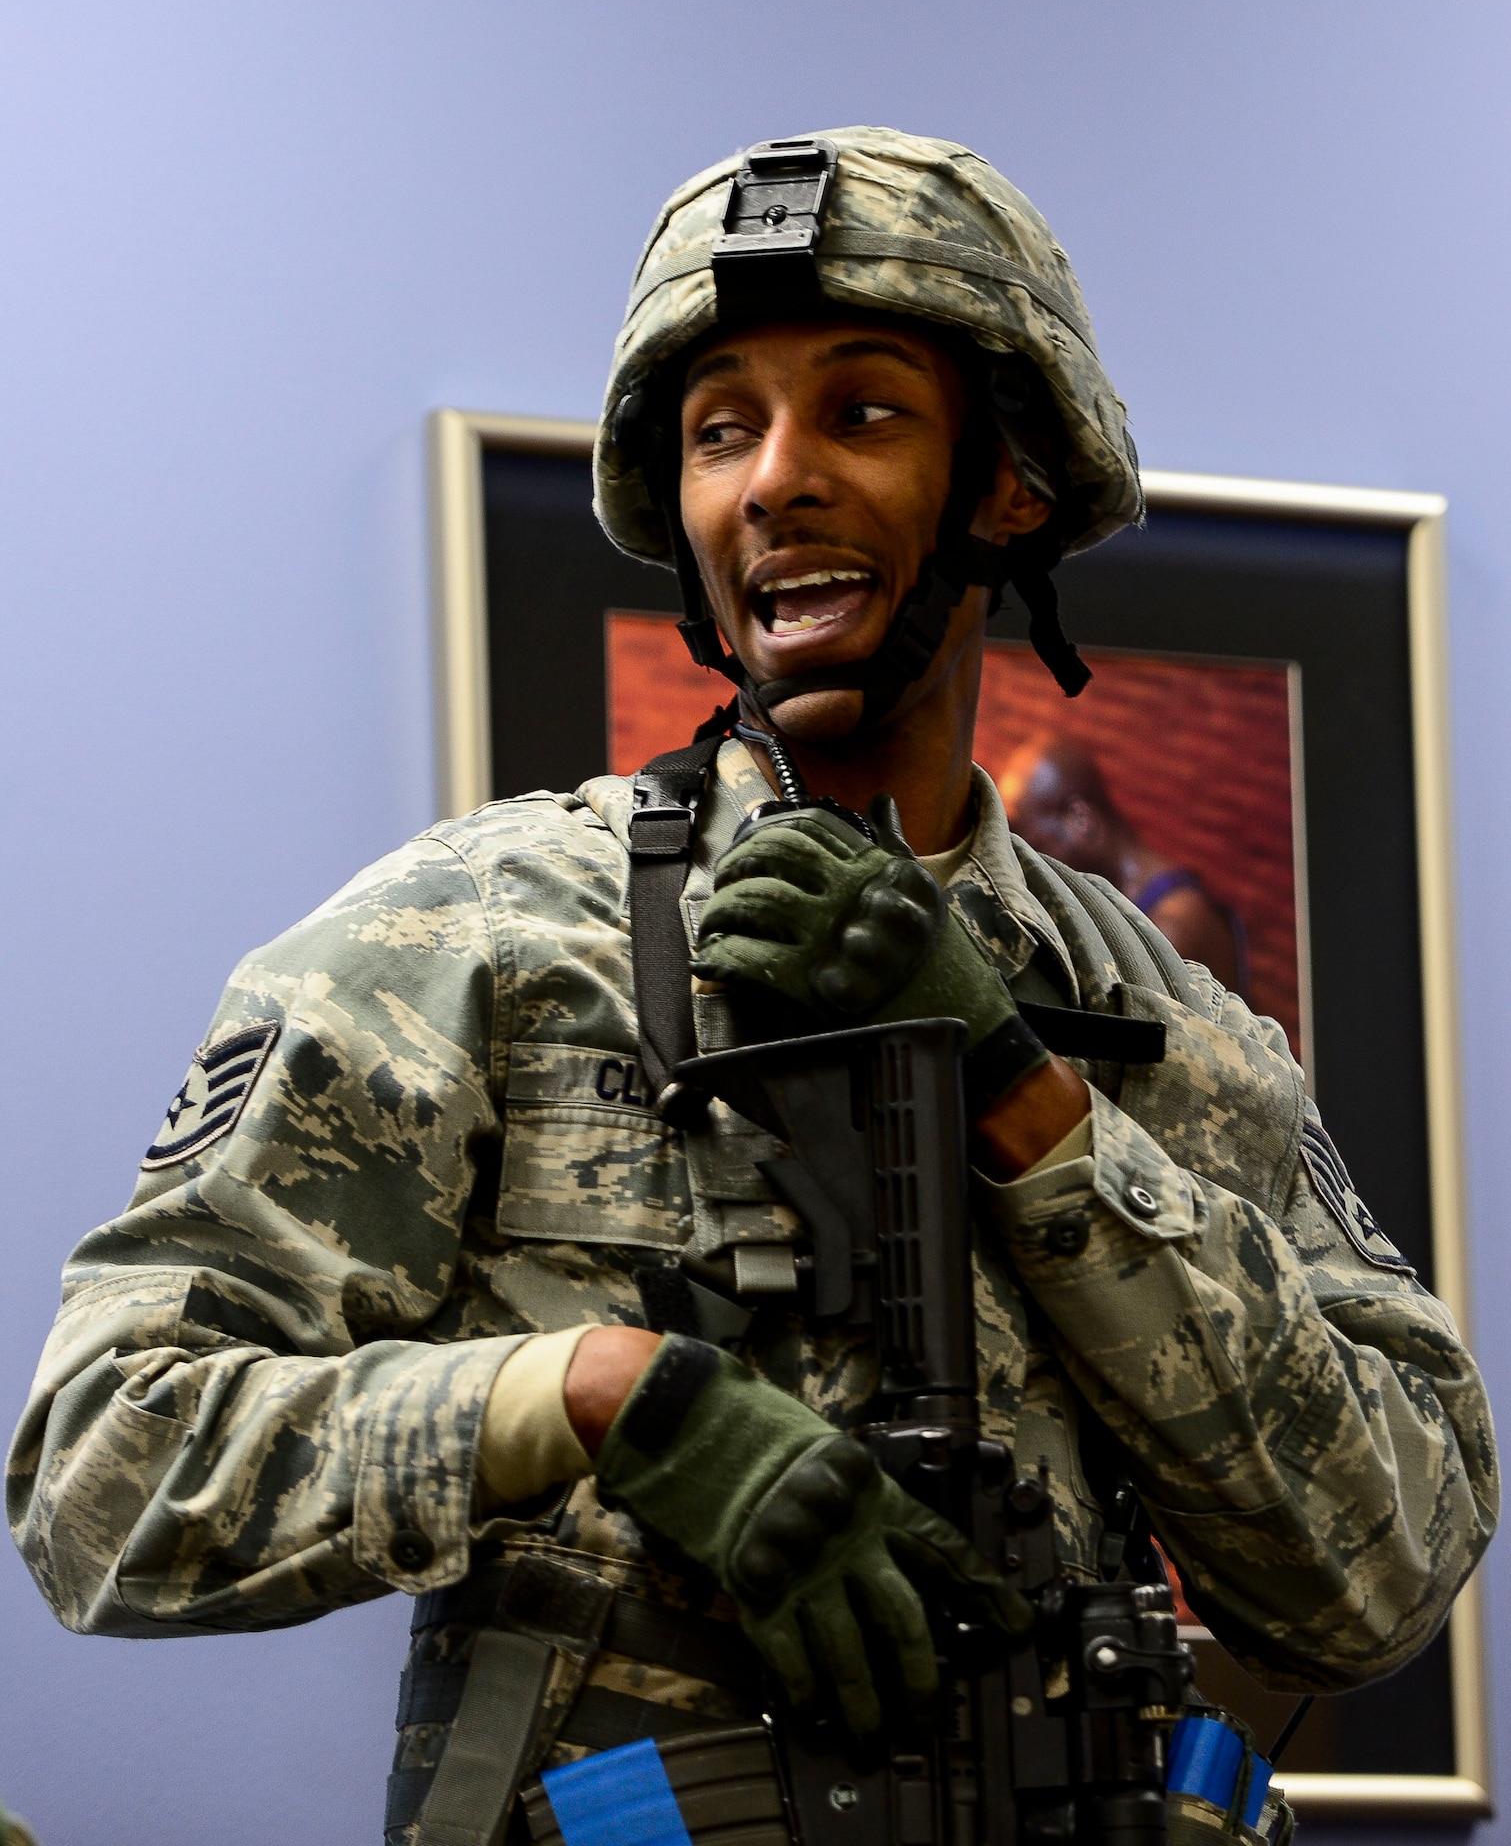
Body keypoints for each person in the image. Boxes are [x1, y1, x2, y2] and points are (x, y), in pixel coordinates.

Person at [7, 130, 1495, 1846]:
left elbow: (1381, 1576)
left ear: (1006, 484)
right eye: (722, 432)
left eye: (861, 413)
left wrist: (1030, 1103)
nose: (774, 481)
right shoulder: (477, 937)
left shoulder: (1168, 1026)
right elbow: (103, 1474)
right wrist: (593, 1398)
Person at [1000, 734, 1250, 993]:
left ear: (1080, 820)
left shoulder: (1171, 930)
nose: (1026, 868)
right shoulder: (1117, 904)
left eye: (1035, 848)